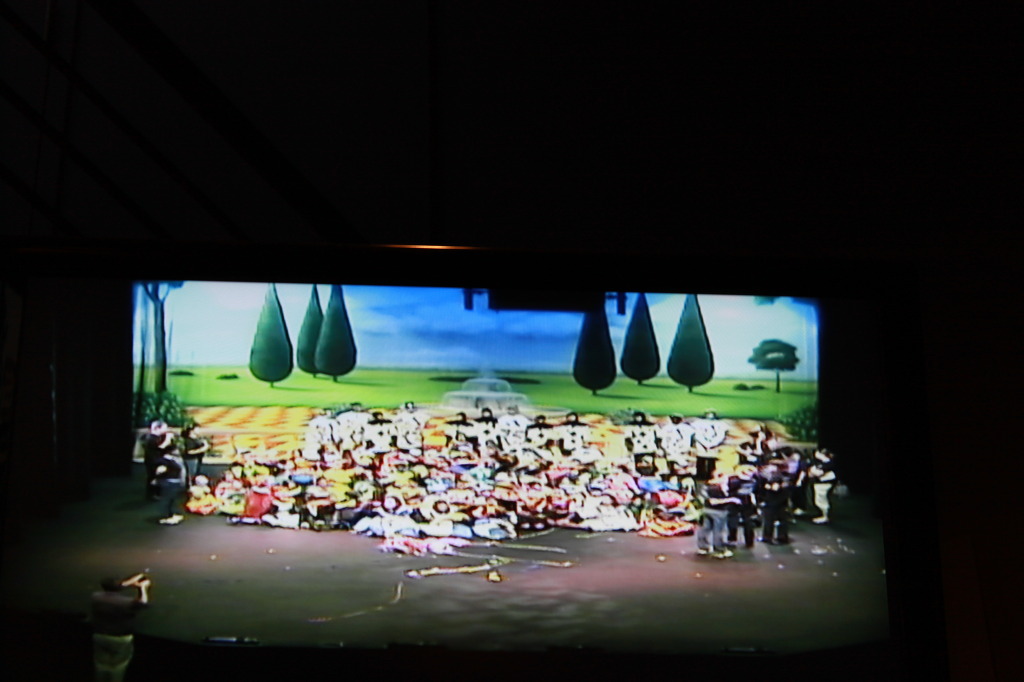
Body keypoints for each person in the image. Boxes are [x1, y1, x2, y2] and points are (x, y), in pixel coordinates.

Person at [90, 572, 150, 682]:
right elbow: (143, 603)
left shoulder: (96, 597)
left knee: (100, 664)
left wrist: (132, 580)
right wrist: (142, 588)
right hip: (120, 639)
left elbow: (117, 587)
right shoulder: (125, 603)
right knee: (118, 666)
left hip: (100, 636)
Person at [139, 420, 174, 500]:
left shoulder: (158, 437)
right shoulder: (150, 437)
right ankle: (152, 494)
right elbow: (160, 447)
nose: (166, 430)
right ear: (157, 428)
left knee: (157, 477)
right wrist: (168, 439)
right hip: (153, 461)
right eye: (164, 428)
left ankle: (156, 493)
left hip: (157, 460)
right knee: (154, 477)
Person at [152, 447, 187, 525]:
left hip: (173, 482)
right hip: (168, 482)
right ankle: (166, 516)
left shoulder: (173, 460)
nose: (177, 451)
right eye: (175, 450)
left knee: (172, 499)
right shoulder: (163, 461)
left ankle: (171, 515)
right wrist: (157, 477)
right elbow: (160, 470)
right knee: (167, 499)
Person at [807, 448, 838, 523]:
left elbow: (818, 473)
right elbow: (810, 473)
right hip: (818, 483)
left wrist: (813, 471)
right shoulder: (819, 462)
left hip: (824, 483)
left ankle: (825, 516)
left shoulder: (828, 463)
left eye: (818, 453)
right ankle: (822, 515)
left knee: (821, 500)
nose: (816, 454)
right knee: (818, 500)